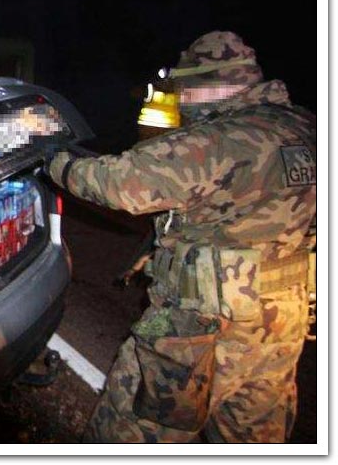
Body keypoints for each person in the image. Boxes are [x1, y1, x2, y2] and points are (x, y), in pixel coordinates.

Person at [46, 31, 316, 443]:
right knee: (253, 439)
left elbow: (120, 183)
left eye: (186, 92)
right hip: (281, 325)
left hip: (204, 327)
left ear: (211, 86)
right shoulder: (308, 127)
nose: (183, 103)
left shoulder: (218, 140)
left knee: (131, 432)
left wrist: (55, 162)